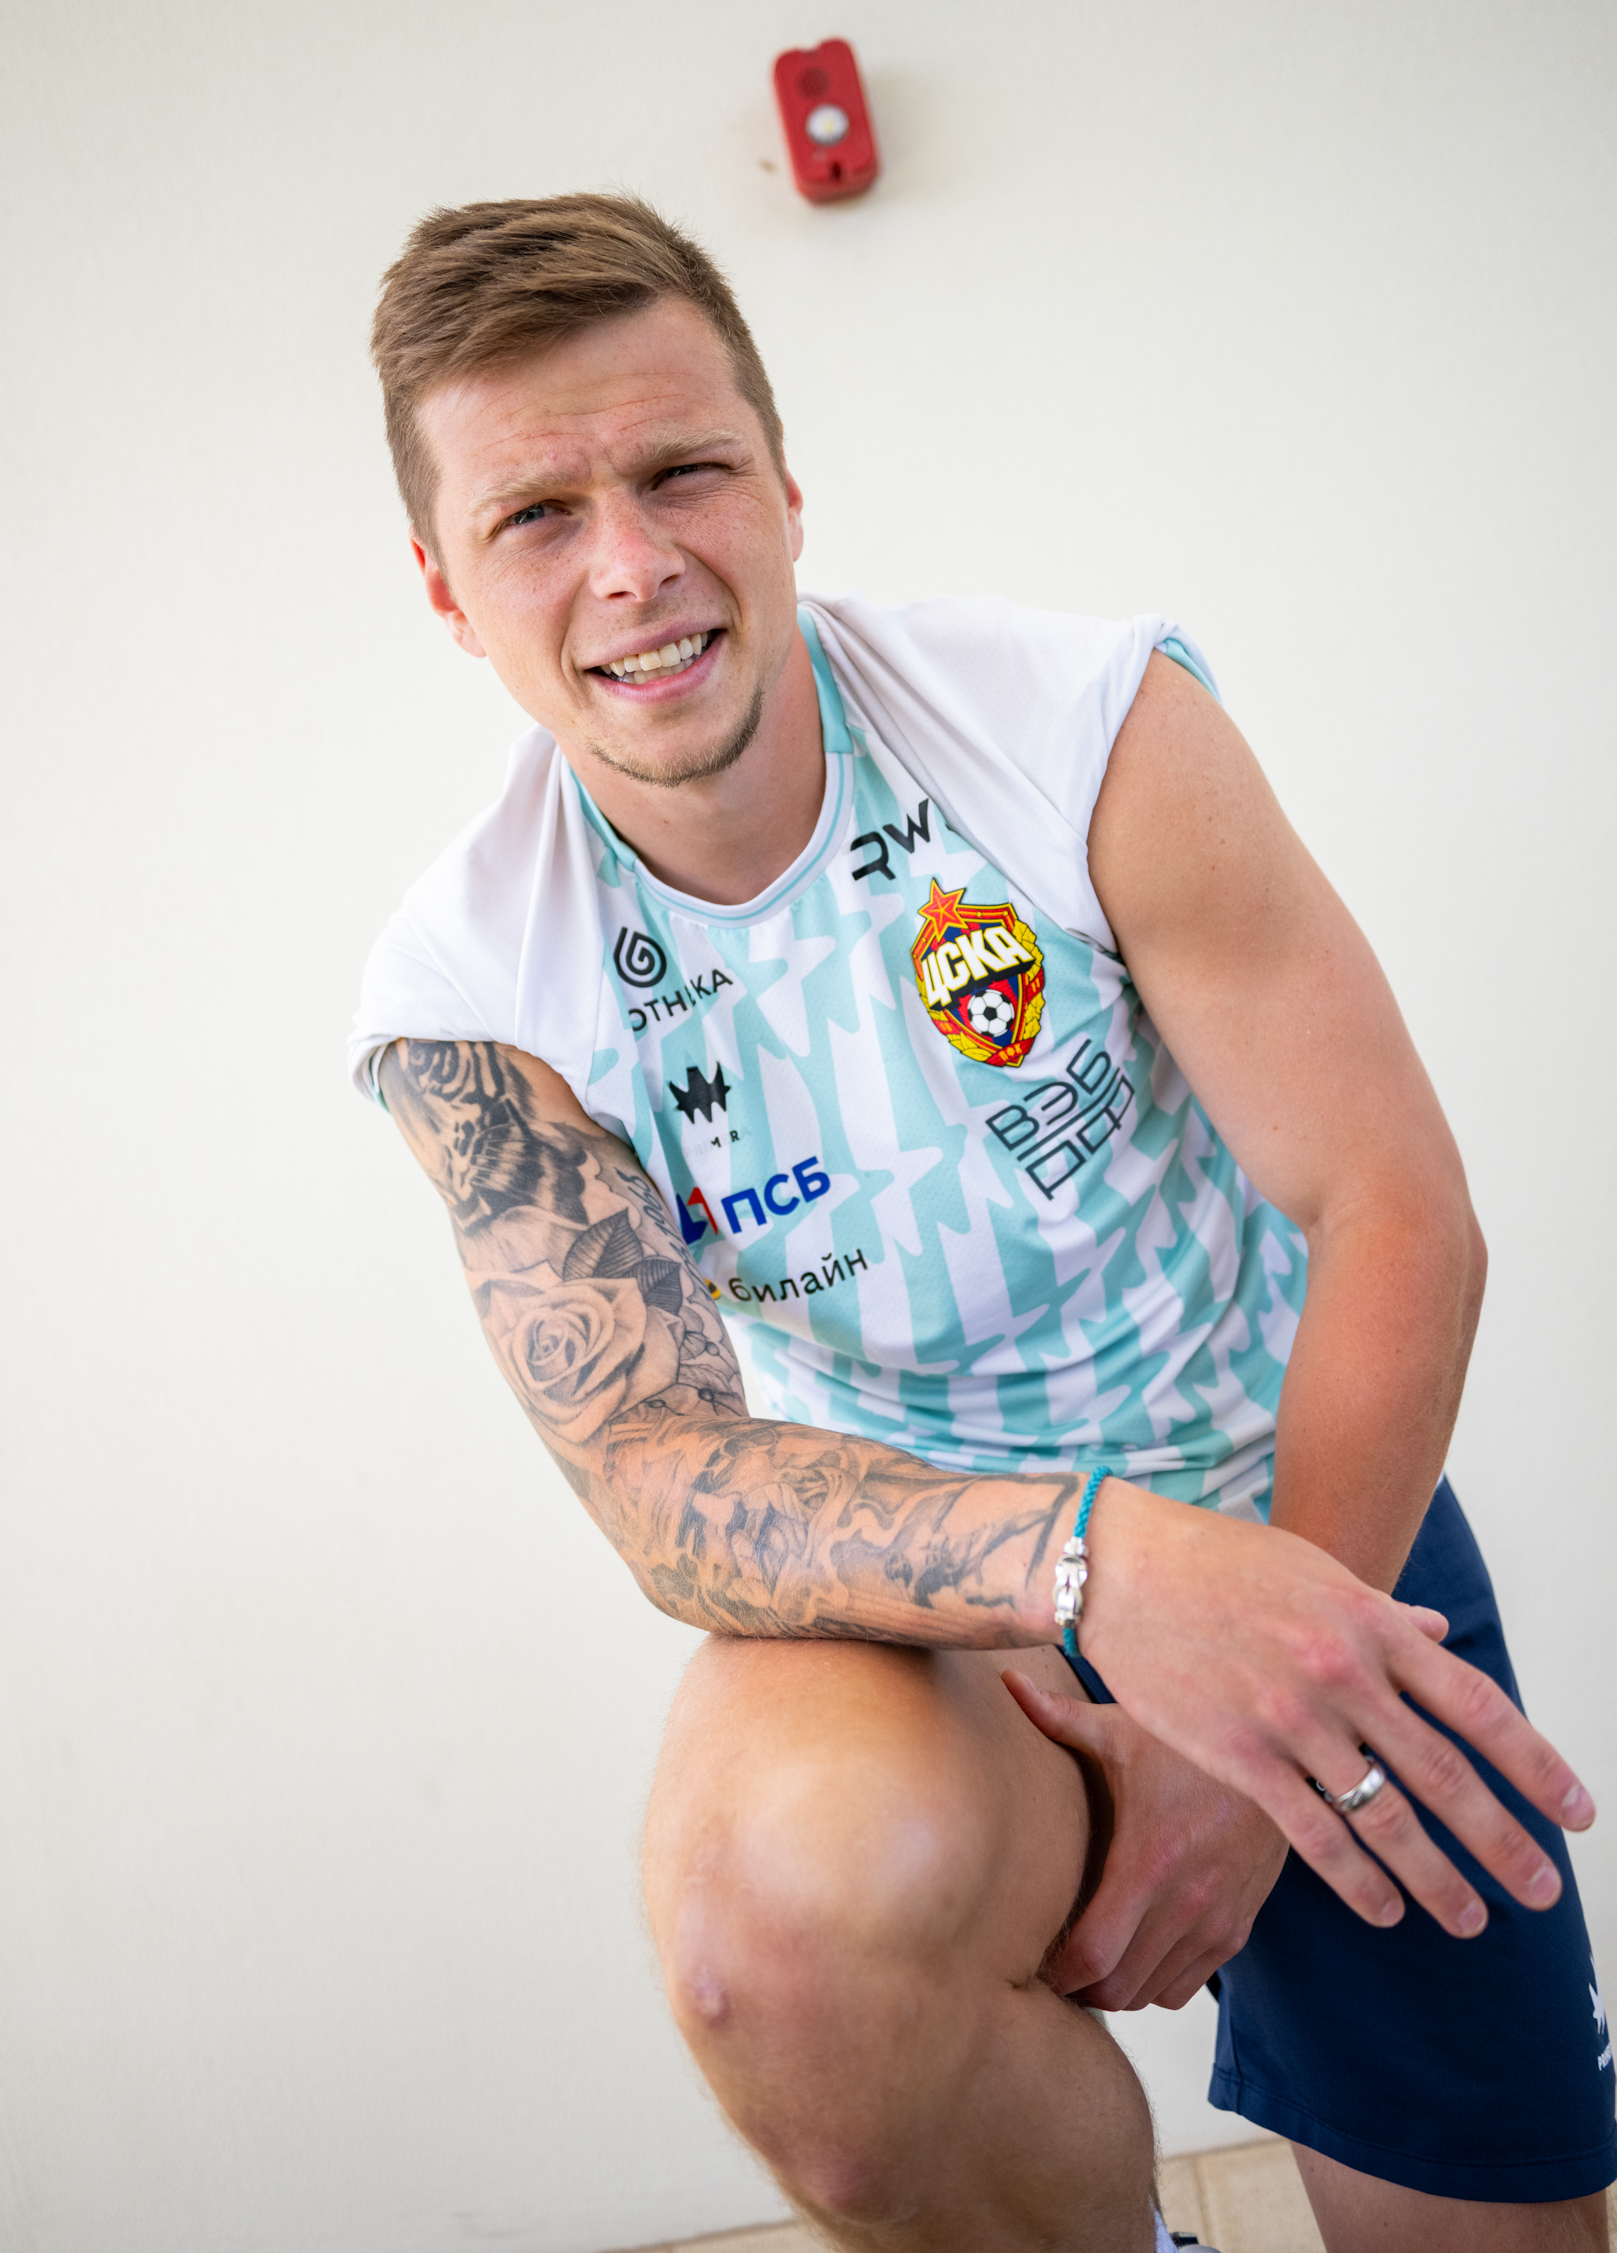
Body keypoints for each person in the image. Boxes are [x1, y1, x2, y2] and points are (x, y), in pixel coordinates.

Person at [349, 195, 1614, 2253]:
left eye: (682, 472)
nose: (631, 564)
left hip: (1313, 1528)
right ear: (443, 584)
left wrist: (1248, 1714)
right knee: (762, 1943)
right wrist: (1095, 1566)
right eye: (536, 515)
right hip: (954, 1630)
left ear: (783, 484)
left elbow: (1392, 1204)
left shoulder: (1078, 724)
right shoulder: (472, 989)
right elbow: (661, 1473)